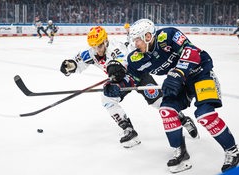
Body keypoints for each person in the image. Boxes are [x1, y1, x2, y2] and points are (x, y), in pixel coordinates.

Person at [106, 19, 239, 173]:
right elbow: (132, 78)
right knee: (166, 110)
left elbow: (192, 52)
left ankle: (233, 152)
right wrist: (119, 87)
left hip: (200, 74)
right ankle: (181, 152)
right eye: (133, 40)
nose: (135, 44)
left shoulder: (168, 35)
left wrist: (178, 72)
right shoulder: (136, 58)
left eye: (137, 40)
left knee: (205, 114)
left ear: (148, 36)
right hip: (178, 81)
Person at [60, 26, 199, 148]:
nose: (98, 50)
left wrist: (116, 67)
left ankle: (183, 119)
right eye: (94, 47)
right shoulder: (92, 52)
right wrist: (71, 65)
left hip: (137, 74)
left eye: (100, 46)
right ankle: (128, 129)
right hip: (121, 80)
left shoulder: (115, 47)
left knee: (158, 102)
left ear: (106, 41)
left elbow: (121, 59)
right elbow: (78, 60)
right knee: (107, 97)